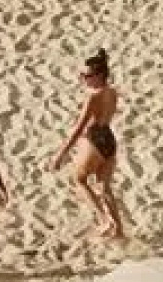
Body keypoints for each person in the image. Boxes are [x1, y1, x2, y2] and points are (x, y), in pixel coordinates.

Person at [50, 48, 124, 239]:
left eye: (87, 75)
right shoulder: (112, 92)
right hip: (109, 139)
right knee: (104, 187)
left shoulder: (93, 97)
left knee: (79, 180)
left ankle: (104, 220)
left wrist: (61, 154)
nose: (82, 78)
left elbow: (79, 128)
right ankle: (119, 230)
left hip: (95, 140)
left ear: (99, 76)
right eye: (82, 74)